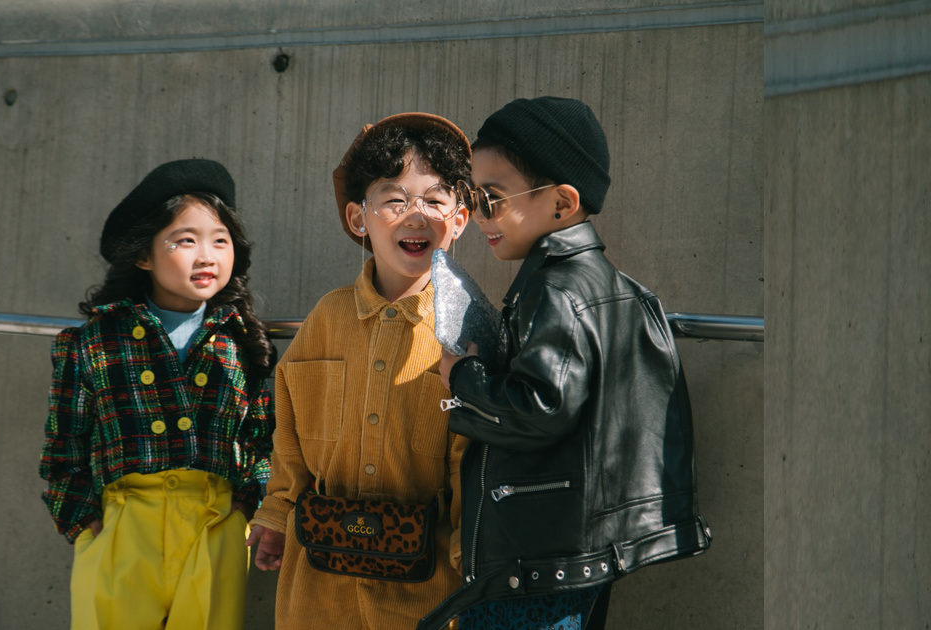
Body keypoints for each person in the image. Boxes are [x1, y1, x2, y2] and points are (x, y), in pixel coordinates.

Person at [421, 97, 711, 630]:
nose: (478, 215)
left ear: (561, 203)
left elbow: (540, 409)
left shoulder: (556, 290)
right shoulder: (616, 288)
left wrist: (463, 377)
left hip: (539, 559)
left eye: (491, 198)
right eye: (470, 196)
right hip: (578, 551)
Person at [245, 113, 471, 630]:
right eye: (395, 199)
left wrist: (469, 541)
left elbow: (473, 455)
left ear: (459, 219)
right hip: (319, 579)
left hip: (427, 579)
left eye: (435, 199)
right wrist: (277, 512)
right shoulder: (328, 317)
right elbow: (289, 432)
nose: (416, 216)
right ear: (358, 218)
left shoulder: (465, 327)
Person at [39, 158, 275, 630]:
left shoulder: (242, 342)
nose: (206, 256)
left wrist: (247, 505)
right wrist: (82, 521)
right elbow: (63, 445)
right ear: (143, 255)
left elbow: (260, 439)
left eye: (220, 240)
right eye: (186, 240)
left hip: (215, 525)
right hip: (121, 530)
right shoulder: (94, 342)